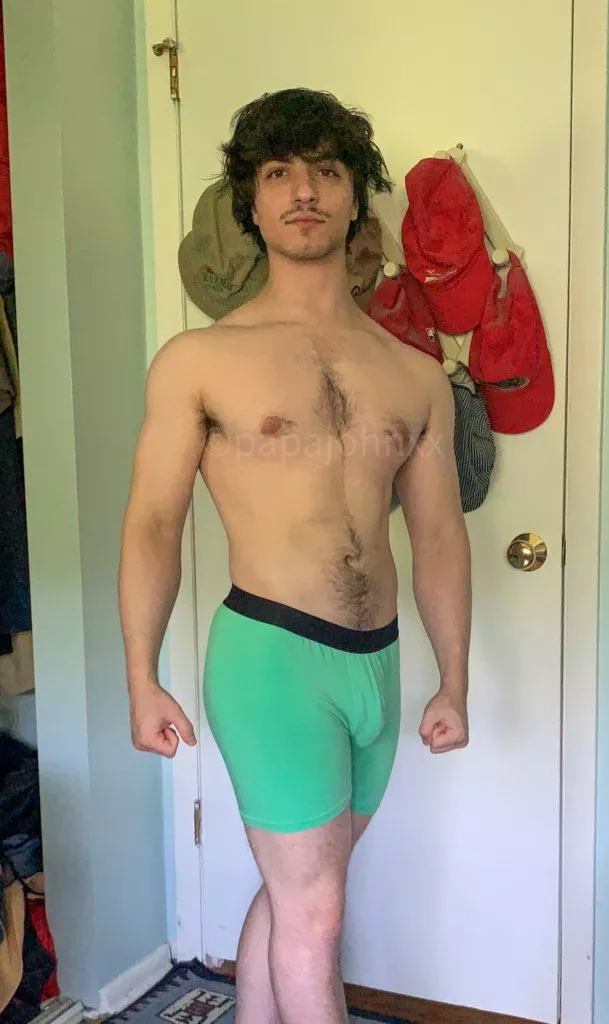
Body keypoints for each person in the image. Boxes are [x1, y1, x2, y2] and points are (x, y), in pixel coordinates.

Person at [118, 88, 471, 1024]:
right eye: (278, 173)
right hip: (271, 659)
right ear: (251, 202)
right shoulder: (198, 359)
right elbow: (151, 523)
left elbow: (439, 535)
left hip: (377, 665)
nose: (303, 191)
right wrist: (140, 676)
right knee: (315, 913)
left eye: (325, 170)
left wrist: (454, 679)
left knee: (297, 893)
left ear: (355, 197)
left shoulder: (414, 374)